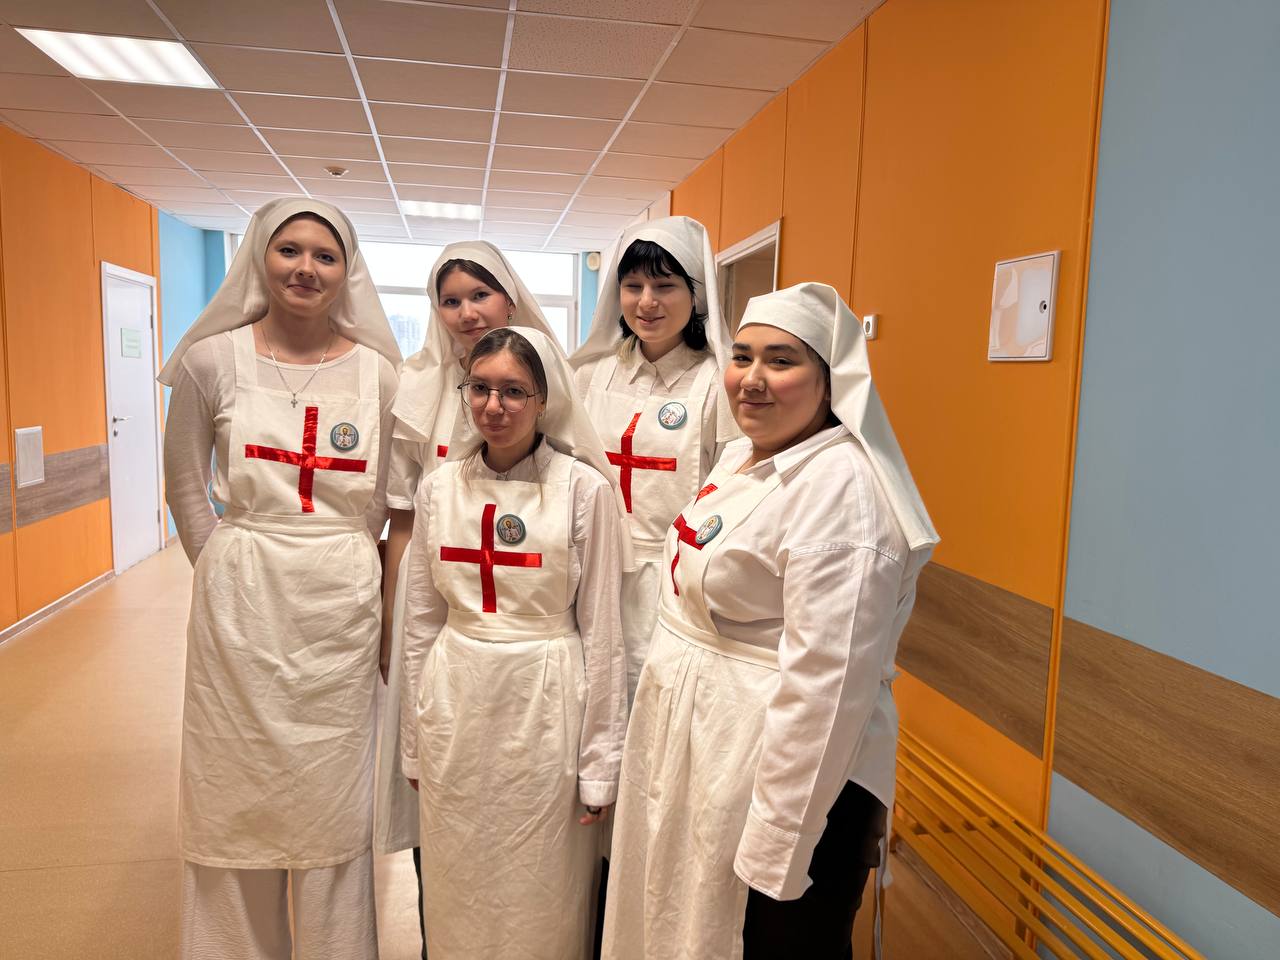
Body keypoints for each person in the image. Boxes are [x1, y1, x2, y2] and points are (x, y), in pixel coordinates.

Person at [601, 283, 939, 960]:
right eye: (743, 357)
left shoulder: (842, 491)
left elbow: (827, 687)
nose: (752, 379)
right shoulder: (743, 455)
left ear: (829, 381)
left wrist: (779, 840)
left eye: (781, 361)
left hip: (787, 777)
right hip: (711, 744)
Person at [160, 198, 401, 960]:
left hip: (338, 609)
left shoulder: (381, 375)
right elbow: (185, 486)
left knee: (333, 802)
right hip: (241, 605)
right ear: (260, 257)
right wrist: (228, 568)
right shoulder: (210, 362)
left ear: (347, 271)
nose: (306, 268)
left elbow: (379, 503)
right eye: (289, 250)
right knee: (233, 792)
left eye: (325, 256)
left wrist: (342, 566)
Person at [400, 326, 629, 960]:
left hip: (546, 700)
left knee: (543, 880)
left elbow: (604, 635)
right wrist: (414, 743)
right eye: (480, 388)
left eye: (513, 391)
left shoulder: (584, 490)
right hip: (455, 698)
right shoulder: (438, 488)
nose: (493, 406)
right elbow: (420, 624)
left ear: (543, 400)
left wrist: (600, 764)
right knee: (458, 873)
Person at [374, 243, 565, 955]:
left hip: (529, 620)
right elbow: (403, 519)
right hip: (446, 610)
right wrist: (394, 623)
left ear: (510, 298)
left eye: (479, 295)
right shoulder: (417, 387)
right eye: (449, 300)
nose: (465, 312)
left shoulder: (542, 376)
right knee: (443, 788)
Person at [571, 215, 737, 704]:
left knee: (652, 699)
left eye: (665, 286)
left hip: (673, 577)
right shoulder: (590, 376)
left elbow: (729, 492)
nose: (646, 302)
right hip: (589, 567)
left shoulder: (717, 384)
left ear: (696, 295)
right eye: (633, 286)